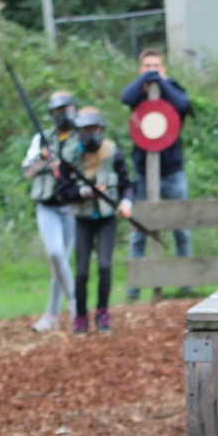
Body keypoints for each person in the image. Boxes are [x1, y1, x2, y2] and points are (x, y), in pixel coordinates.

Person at [118, 48, 193, 298]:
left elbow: (184, 105)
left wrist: (161, 81)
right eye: (147, 66)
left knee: (181, 227)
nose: (152, 70)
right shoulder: (138, 93)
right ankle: (134, 288)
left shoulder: (173, 89)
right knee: (140, 230)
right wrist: (145, 80)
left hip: (172, 170)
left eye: (157, 66)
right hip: (143, 171)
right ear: (140, 69)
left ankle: (186, 284)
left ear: (165, 68)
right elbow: (124, 97)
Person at [65, 106, 133, 335]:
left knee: (105, 266)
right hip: (83, 219)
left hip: (106, 218)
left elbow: (127, 184)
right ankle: (81, 316)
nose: (90, 134)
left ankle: (103, 312)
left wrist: (126, 203)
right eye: (85, 129)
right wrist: (85, 192)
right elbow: (63, 190)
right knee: (82, 271)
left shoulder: (113, 152)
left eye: (94, 129)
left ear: (101, 130)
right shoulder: (71, 156)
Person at [22, 91, 80, 333]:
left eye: (64, 110)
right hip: (47, 207)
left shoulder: (81, 136)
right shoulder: (41, 139)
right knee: (56, 255)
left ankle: (51, 314)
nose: (61, 116)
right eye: (56, 112)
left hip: (72, 207)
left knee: (61, 262)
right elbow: (27, 171)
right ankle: (76, 303)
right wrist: (44, 159)